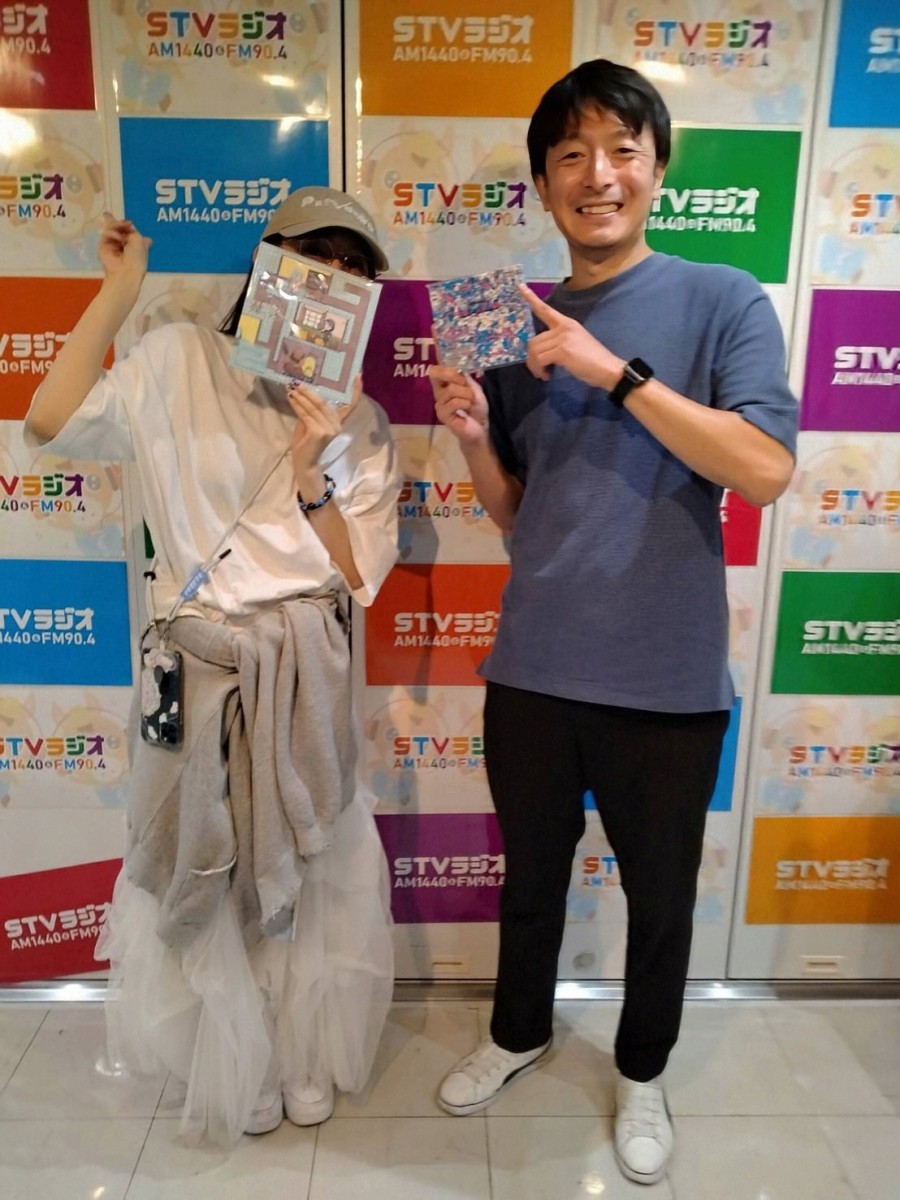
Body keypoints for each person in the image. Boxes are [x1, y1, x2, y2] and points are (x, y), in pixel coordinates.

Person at [428, 59, 797, 1186]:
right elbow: (520, 517)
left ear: (657, 167)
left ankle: (642, 1072)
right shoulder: (510, 323)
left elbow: (765, 469)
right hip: (533, 667)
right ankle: (518, 1033)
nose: (599, 175)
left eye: (622, 151)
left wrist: (616, 374)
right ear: (544, 184)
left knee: (661, 898)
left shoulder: (723, 297)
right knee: (531, 879)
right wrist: (474, 442)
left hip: (665, 677)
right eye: (572, 156)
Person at [25, 186, 401, 1145]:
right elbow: (49, 420)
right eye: (312, 259)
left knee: (311, 863)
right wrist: (121, 292)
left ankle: (300, 1051)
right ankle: (240, 1061)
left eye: (353, 272)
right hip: (197, 668)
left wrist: (314, 468)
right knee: (204, 850)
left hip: (303, 676)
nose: (330, 283)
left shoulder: (361, 422)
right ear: (267, 266)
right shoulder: (178, 360)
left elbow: (361, 577)